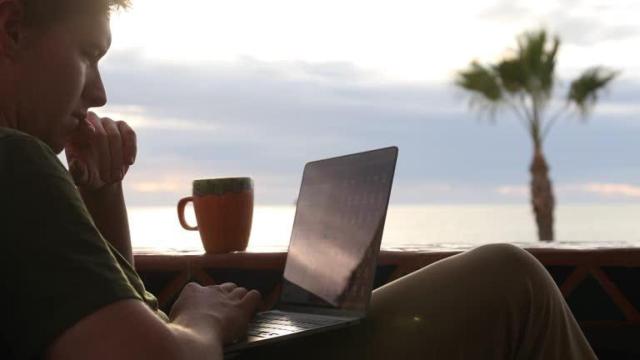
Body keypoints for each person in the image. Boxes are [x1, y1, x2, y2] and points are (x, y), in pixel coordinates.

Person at [0, 0, 597, 359]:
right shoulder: (16, 160)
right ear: (12, 28)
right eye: (87, 52)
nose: (99, 91)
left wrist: (102, 191)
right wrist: (204, 319)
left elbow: (117, 317)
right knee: (509, 279)